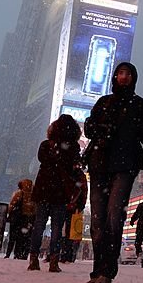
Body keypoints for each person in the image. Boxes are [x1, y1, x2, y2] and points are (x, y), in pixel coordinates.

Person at [82, 62, 143, 283]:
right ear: (115, 76)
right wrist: (97, 127)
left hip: (125, 167)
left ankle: (107, 272)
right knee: (97, 221)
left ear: (134, 78)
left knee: (114, 217)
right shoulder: (104, 102)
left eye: (128, 74)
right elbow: (89, 129)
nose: (124, 77)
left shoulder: (140, 106)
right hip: (99, 166)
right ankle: (97, 271)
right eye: (121, 73)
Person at [29, 115, 82, 272]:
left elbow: (42, 159)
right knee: (57, 228)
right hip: (60, 191)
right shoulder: (73, 147)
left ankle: (33, 259)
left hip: (43, 189)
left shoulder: (46, 145)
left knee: (39, 224)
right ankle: (54, 261)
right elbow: (75, 167)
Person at [6, 179, 34, 260]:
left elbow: (12, 205)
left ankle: (9, 253)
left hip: (17, 218)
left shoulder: (19, 193)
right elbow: (35, 209)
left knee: (12, 237)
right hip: (27, 219)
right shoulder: (33, 195)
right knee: (23, 238)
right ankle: (20, 254)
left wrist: (9, 212)